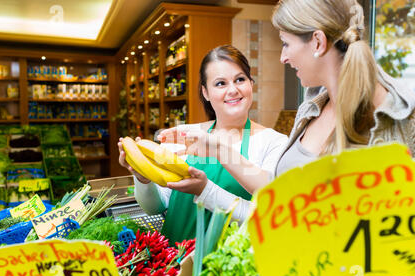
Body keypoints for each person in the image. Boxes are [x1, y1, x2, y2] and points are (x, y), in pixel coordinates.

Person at [162, 0, 415, 276]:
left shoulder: (409, 120)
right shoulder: (312, 107)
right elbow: (283, 196)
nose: (282, 57)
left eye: (286, 44)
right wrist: (219, 150)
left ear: (317, 42)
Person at [118, 45, 288, 245]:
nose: (233, 90)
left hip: (229, 268)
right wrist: (143, 179)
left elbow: (267, 217)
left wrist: (204, 190)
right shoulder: (184, 135)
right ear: (205, 92)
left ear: (251, 84)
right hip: (173, 265)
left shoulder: (274, 143)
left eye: (240, 79)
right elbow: (155, 206)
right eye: (220, 83)